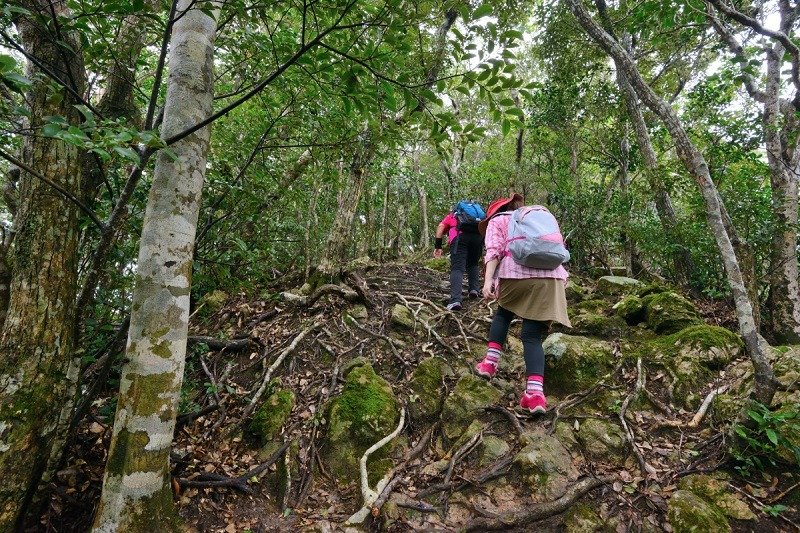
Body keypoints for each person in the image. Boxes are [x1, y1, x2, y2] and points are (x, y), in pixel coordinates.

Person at [473, 193, 571, 414]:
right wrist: (562, 279)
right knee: (532, 336)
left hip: (515, 276)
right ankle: (535, 396)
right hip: (551, 280)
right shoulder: (536, 218)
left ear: (492, 214)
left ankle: (489, 364)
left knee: (502, 315)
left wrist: (488, 281)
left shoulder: (497, 221)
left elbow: (494, 251)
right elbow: (556, 251)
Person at [434, 201, 485, 311]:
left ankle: (455, 300)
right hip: (478, 238)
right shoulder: (475, 217)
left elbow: (440, 227)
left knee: (457, 268)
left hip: (460, 238)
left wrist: (438, 246)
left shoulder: (452, 215)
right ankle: (474, 290)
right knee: (473, 263)